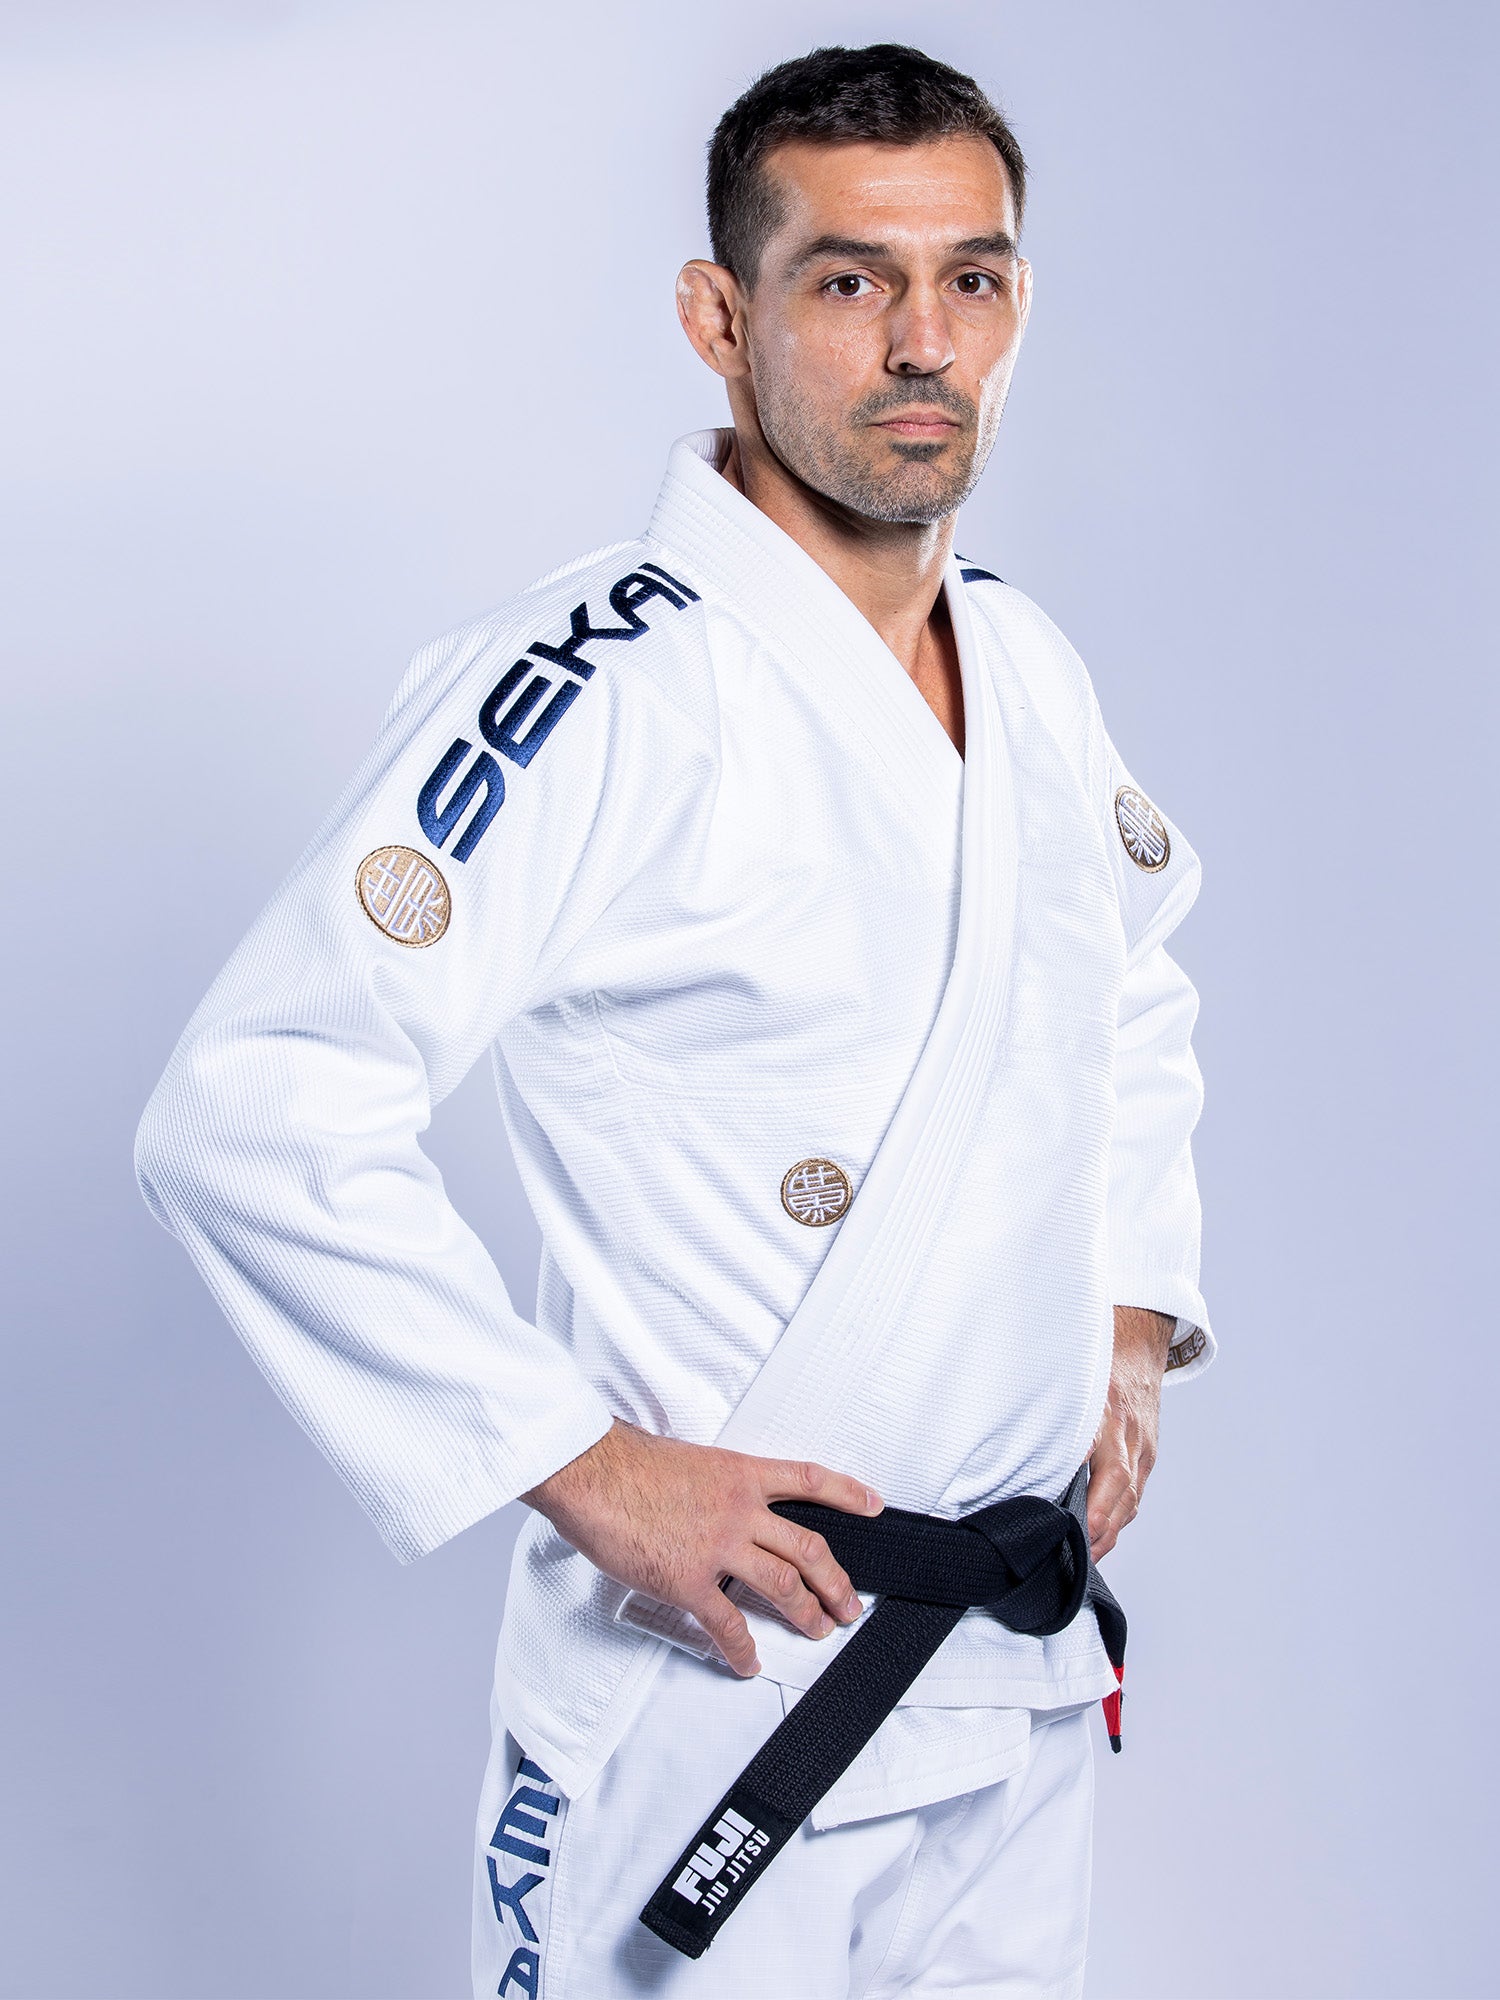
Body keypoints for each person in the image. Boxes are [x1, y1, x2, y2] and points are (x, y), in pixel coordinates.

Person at [136, 42, 1212, 2000]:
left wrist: (1133, 1310)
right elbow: (256, 1102)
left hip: (1011, 1689)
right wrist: (576, 1460)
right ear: (720, 316)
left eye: (970, 281)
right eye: (846, 279)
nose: (920, 342)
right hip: (711, 1709)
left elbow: (1133, 971)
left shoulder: (1033, 671)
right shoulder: (597, 687)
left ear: (1020, 304)